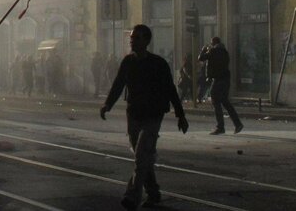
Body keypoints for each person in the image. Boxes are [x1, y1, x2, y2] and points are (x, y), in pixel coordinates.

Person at [100, 24, 188, 210]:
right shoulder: (128, 62)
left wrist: (181, 115)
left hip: (153, 115)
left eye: (137, 38)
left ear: (147, 41)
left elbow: (170, 89)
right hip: (133, 114)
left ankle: (132, 196)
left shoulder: (158, 64)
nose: (132, 41)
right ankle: (153, 192)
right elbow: (118, 84)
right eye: (132, 37)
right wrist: (108, 104)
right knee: (144, 156)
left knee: (141, 156)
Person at [198, 36, 243, 135]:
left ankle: (220, 127)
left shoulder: (213, 51)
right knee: (225, 101)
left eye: (211, 43)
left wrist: (204, 49)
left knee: (215, 101)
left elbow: (201, 58)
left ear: (214, 43)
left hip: (217, 79)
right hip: (225, 79)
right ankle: (238, 123)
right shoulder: (225, 52)